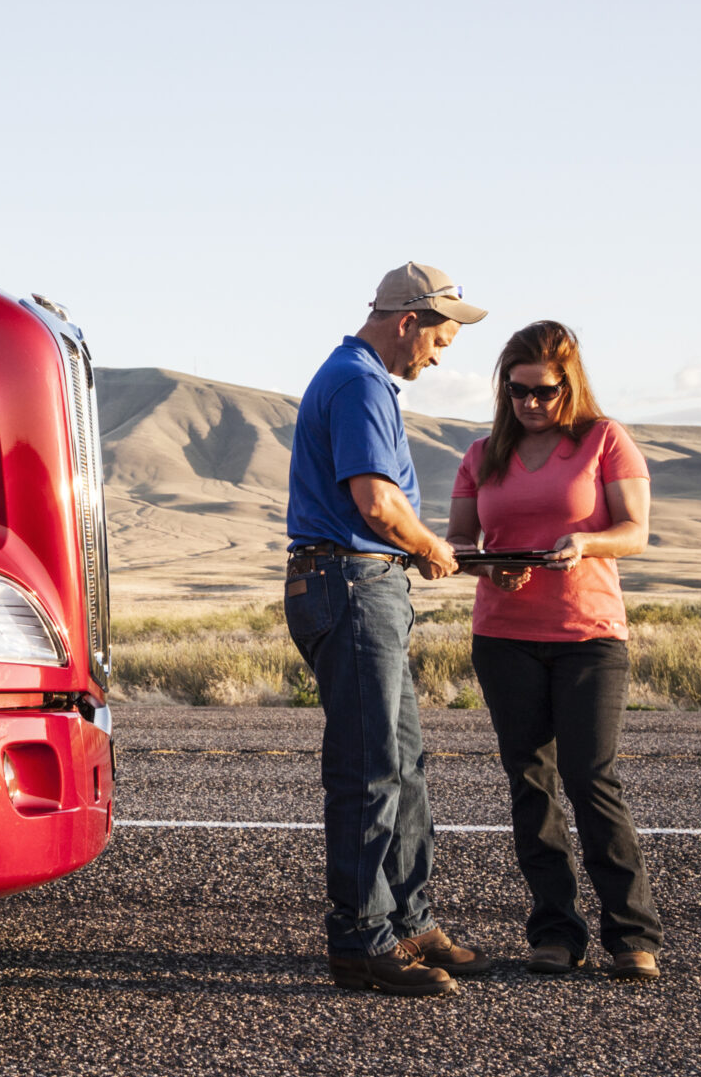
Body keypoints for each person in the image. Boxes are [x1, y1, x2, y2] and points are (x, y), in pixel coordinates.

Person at [285, 261, 487, 997]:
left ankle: (408, 918)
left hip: (361, 583)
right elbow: (375, 500)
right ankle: (361, 938)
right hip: (351, 582)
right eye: (439, 338)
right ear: (408, 320)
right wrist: (431, 546)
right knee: (370, 767)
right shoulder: (361, 381)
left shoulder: (358, 378)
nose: (439, 355)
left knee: (401, 762)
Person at [448, 320, 665, 983]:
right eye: (516, 391)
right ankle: (553, 931)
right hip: (505, 637)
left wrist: (585, 542)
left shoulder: (604, 440)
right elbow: (458, 544)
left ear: (570, 383)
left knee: (590, 777)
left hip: (588, 636)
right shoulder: (482, 454)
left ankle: (631, 934)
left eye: (542, 391)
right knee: (530, 783)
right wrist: (488, 567)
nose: (530, 404)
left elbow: (635, 530)